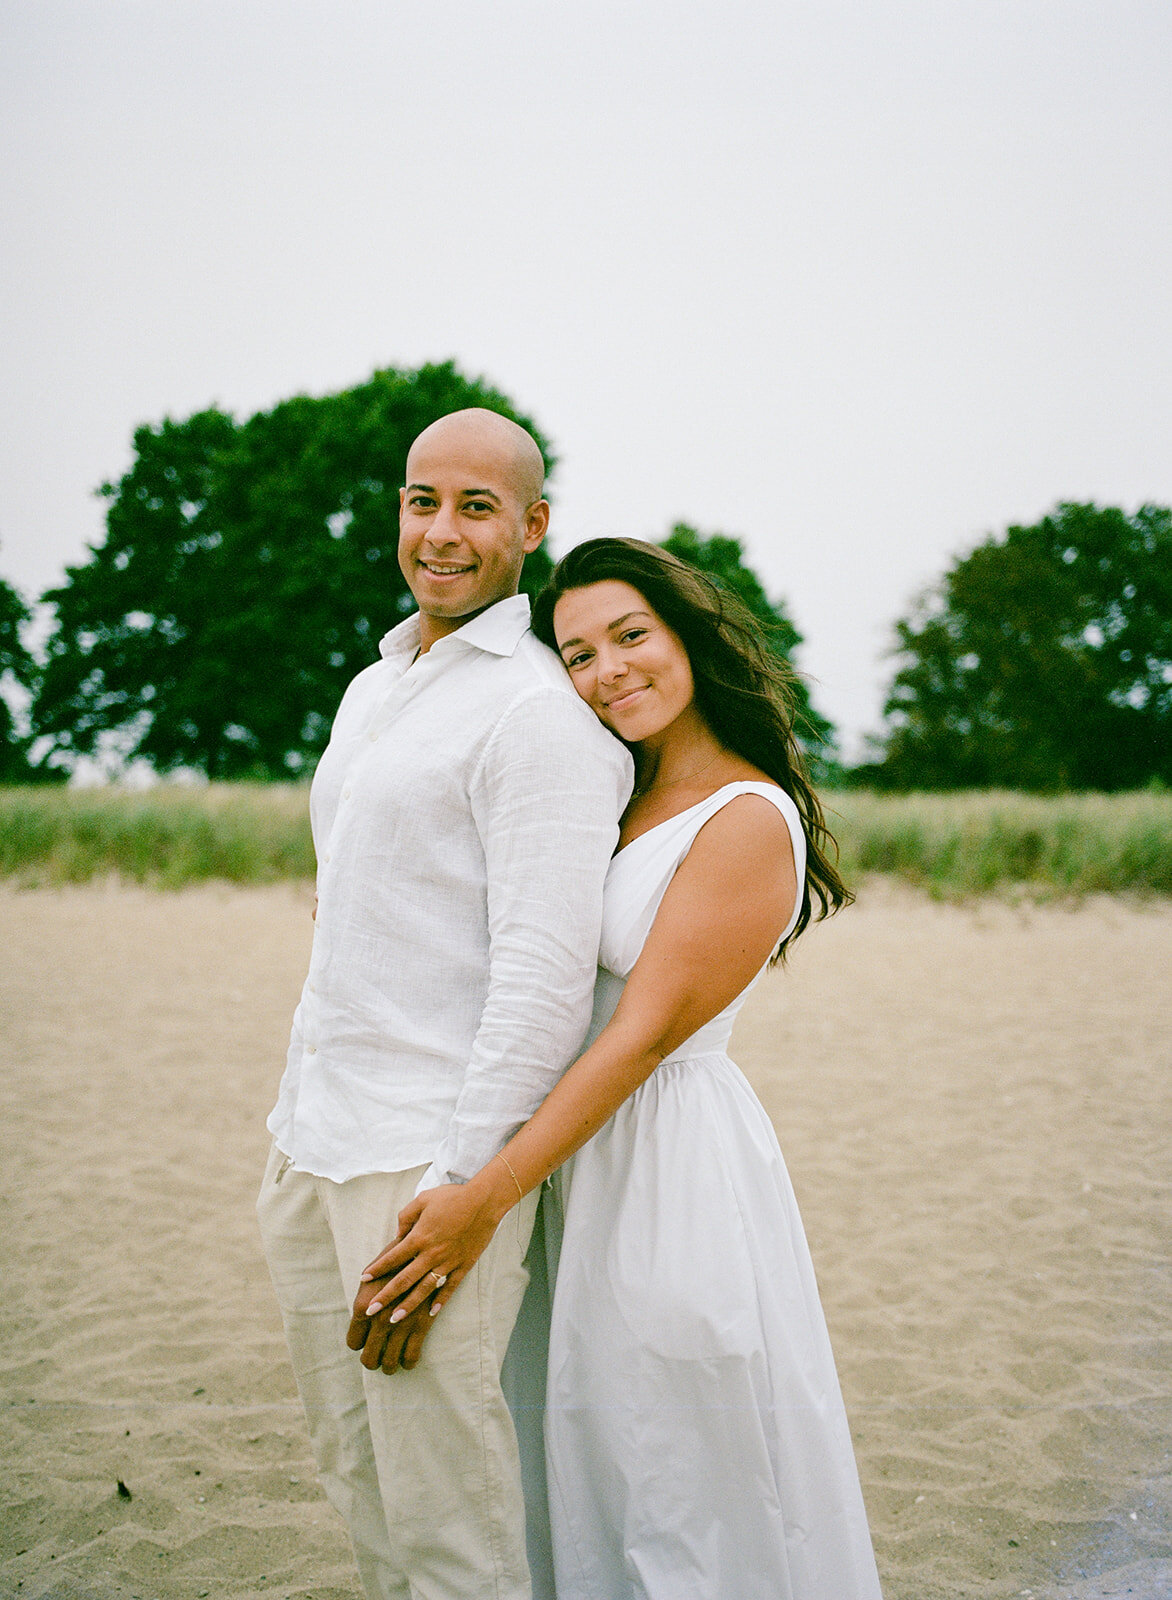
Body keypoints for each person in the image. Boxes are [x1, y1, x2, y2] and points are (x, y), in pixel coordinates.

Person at [355, 537, 885, 1599]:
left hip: (665, 1161)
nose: (608, 672)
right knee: (578, 1449)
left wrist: (479, 1199)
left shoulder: (742, 817)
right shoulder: (611, 789)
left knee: (676, 1463)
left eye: (630, 636)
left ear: (688, 637)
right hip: (573, 1151)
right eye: (578, 653)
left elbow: (637, 1038)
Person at [257, 414, 632, 1600]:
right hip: (313, 1132)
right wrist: (289, 1115)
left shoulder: (536, 714)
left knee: (447, 1507)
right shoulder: (377, 684)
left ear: (532, 527)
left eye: (478, 506)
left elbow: (539, 975)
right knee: (356, 1471)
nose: (443, 531)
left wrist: (465, 1187)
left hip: (422, 1164)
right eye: (424, 500)